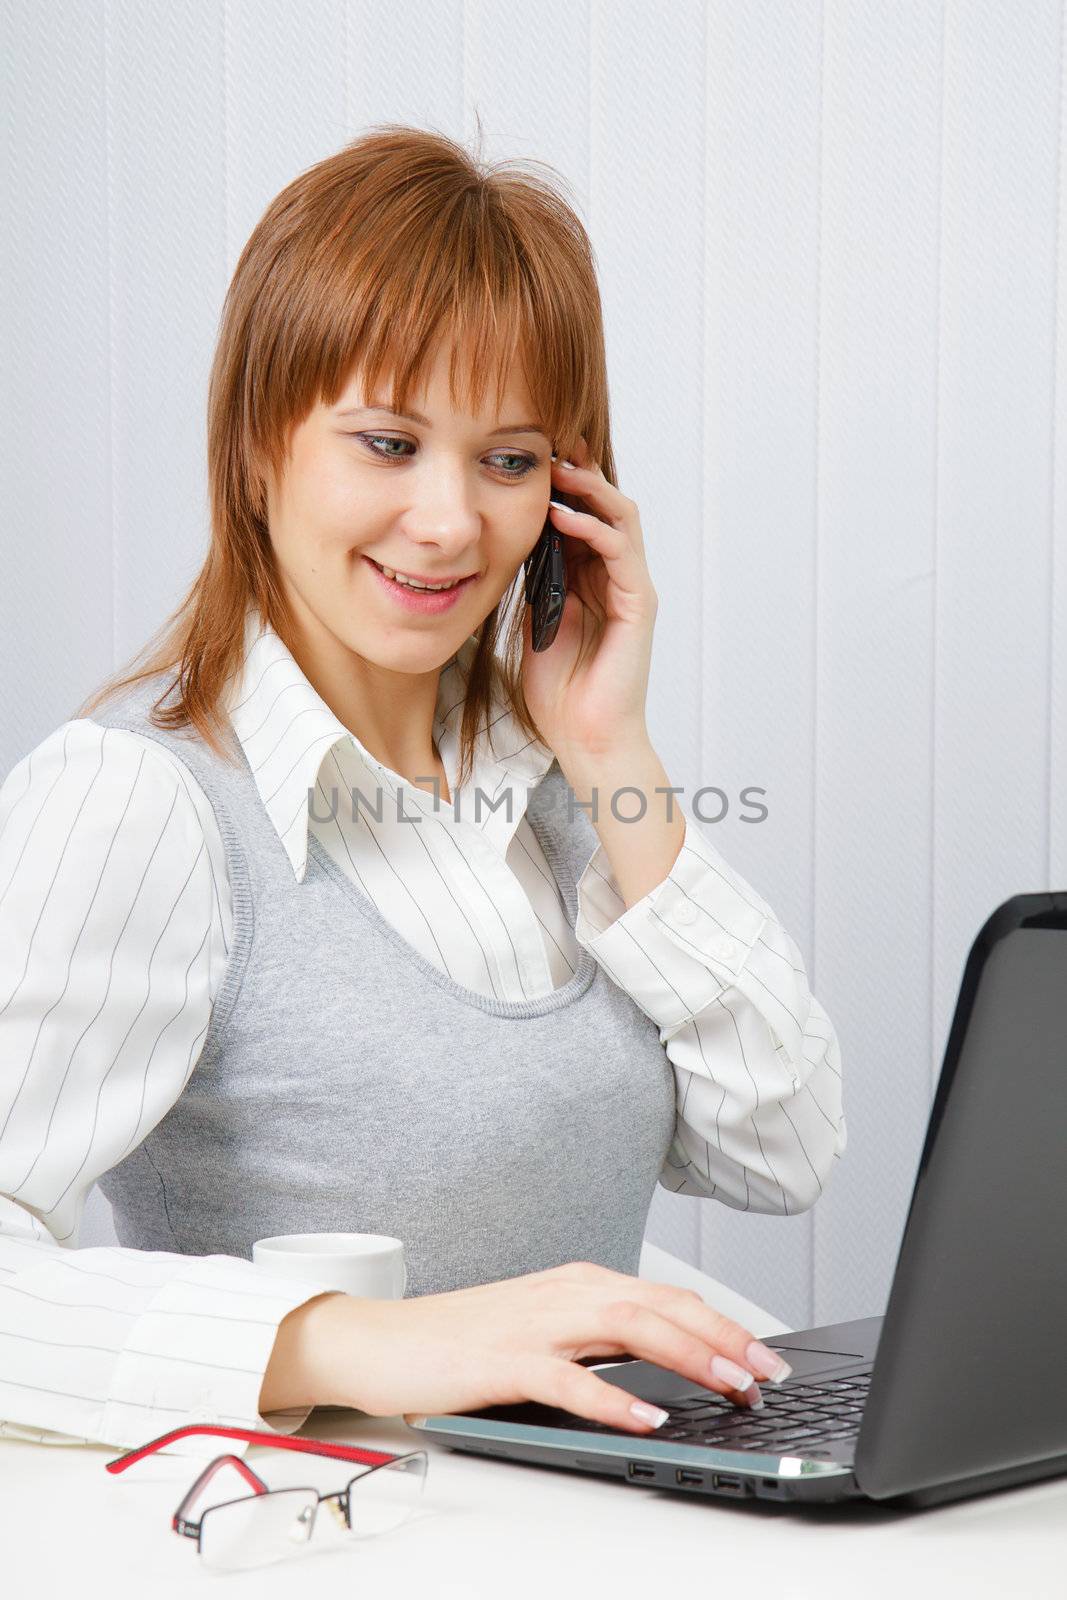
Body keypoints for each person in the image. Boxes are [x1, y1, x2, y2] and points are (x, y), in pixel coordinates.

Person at [0, 125, 846, 1460]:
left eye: (509, 460)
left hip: (597, 1531)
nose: (452, 522)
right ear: (259, 447)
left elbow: (783, 1155)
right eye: (388, 444)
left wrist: (613, 750)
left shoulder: (558, 793)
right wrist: (366, 1340)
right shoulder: (138, 806)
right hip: (333, 1540)